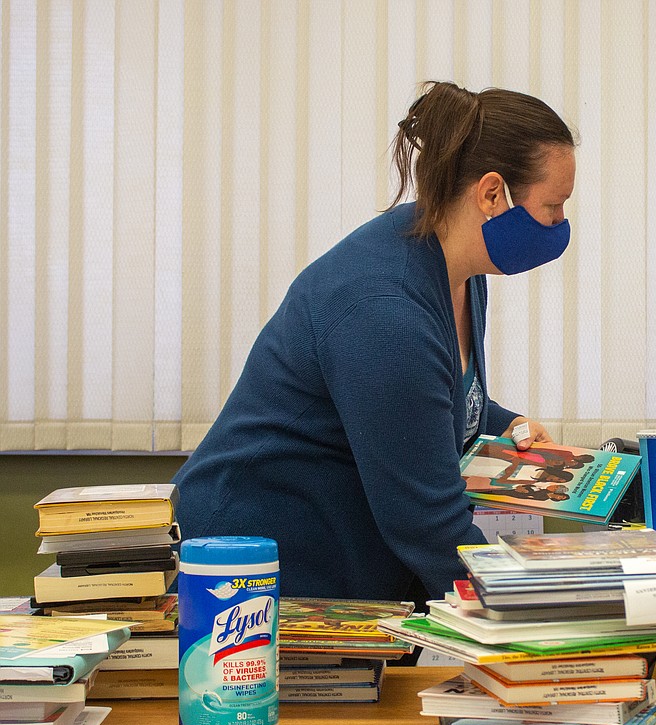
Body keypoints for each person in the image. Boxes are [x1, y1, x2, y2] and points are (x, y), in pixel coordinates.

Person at [173, 81, 576, 602]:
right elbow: (429, 524)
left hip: (335, 555)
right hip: (254, 570)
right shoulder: (388, 312)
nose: (561, 225)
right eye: (553, 206)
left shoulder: (458, 263)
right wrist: (537, 608)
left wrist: (506, 425)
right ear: (493, 194)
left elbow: (431, 397)